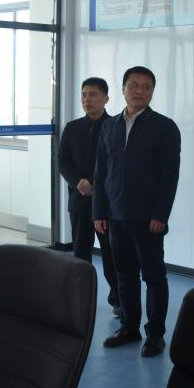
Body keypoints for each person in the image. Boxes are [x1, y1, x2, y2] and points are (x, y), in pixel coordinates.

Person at [93, 66, 181, 358]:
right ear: (123, 89)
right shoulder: (109, 126)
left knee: (153, 276)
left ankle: (155, 334)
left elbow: (169, 177)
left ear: (152, 92)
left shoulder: (165, 127)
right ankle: (129, 328)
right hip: (115, 215)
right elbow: (101, 173)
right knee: (124, 275)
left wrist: (161, 215)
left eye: (146, 86)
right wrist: (98, 211)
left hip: (148, 218)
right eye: (134, 85)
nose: (140, 91)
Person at [58, 77, 120, 317]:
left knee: (111, 254)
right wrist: (78, 182)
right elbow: (62, 160)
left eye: (93, 94)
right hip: (80, 201)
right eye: (84, 94)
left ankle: (118, 300)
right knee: (81, 254)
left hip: (106, 203)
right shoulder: (72, 128)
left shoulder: (115, 126)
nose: (87, 99)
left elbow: (117, 164)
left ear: (106, 98)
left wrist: (94, 184)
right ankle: (81, 299)